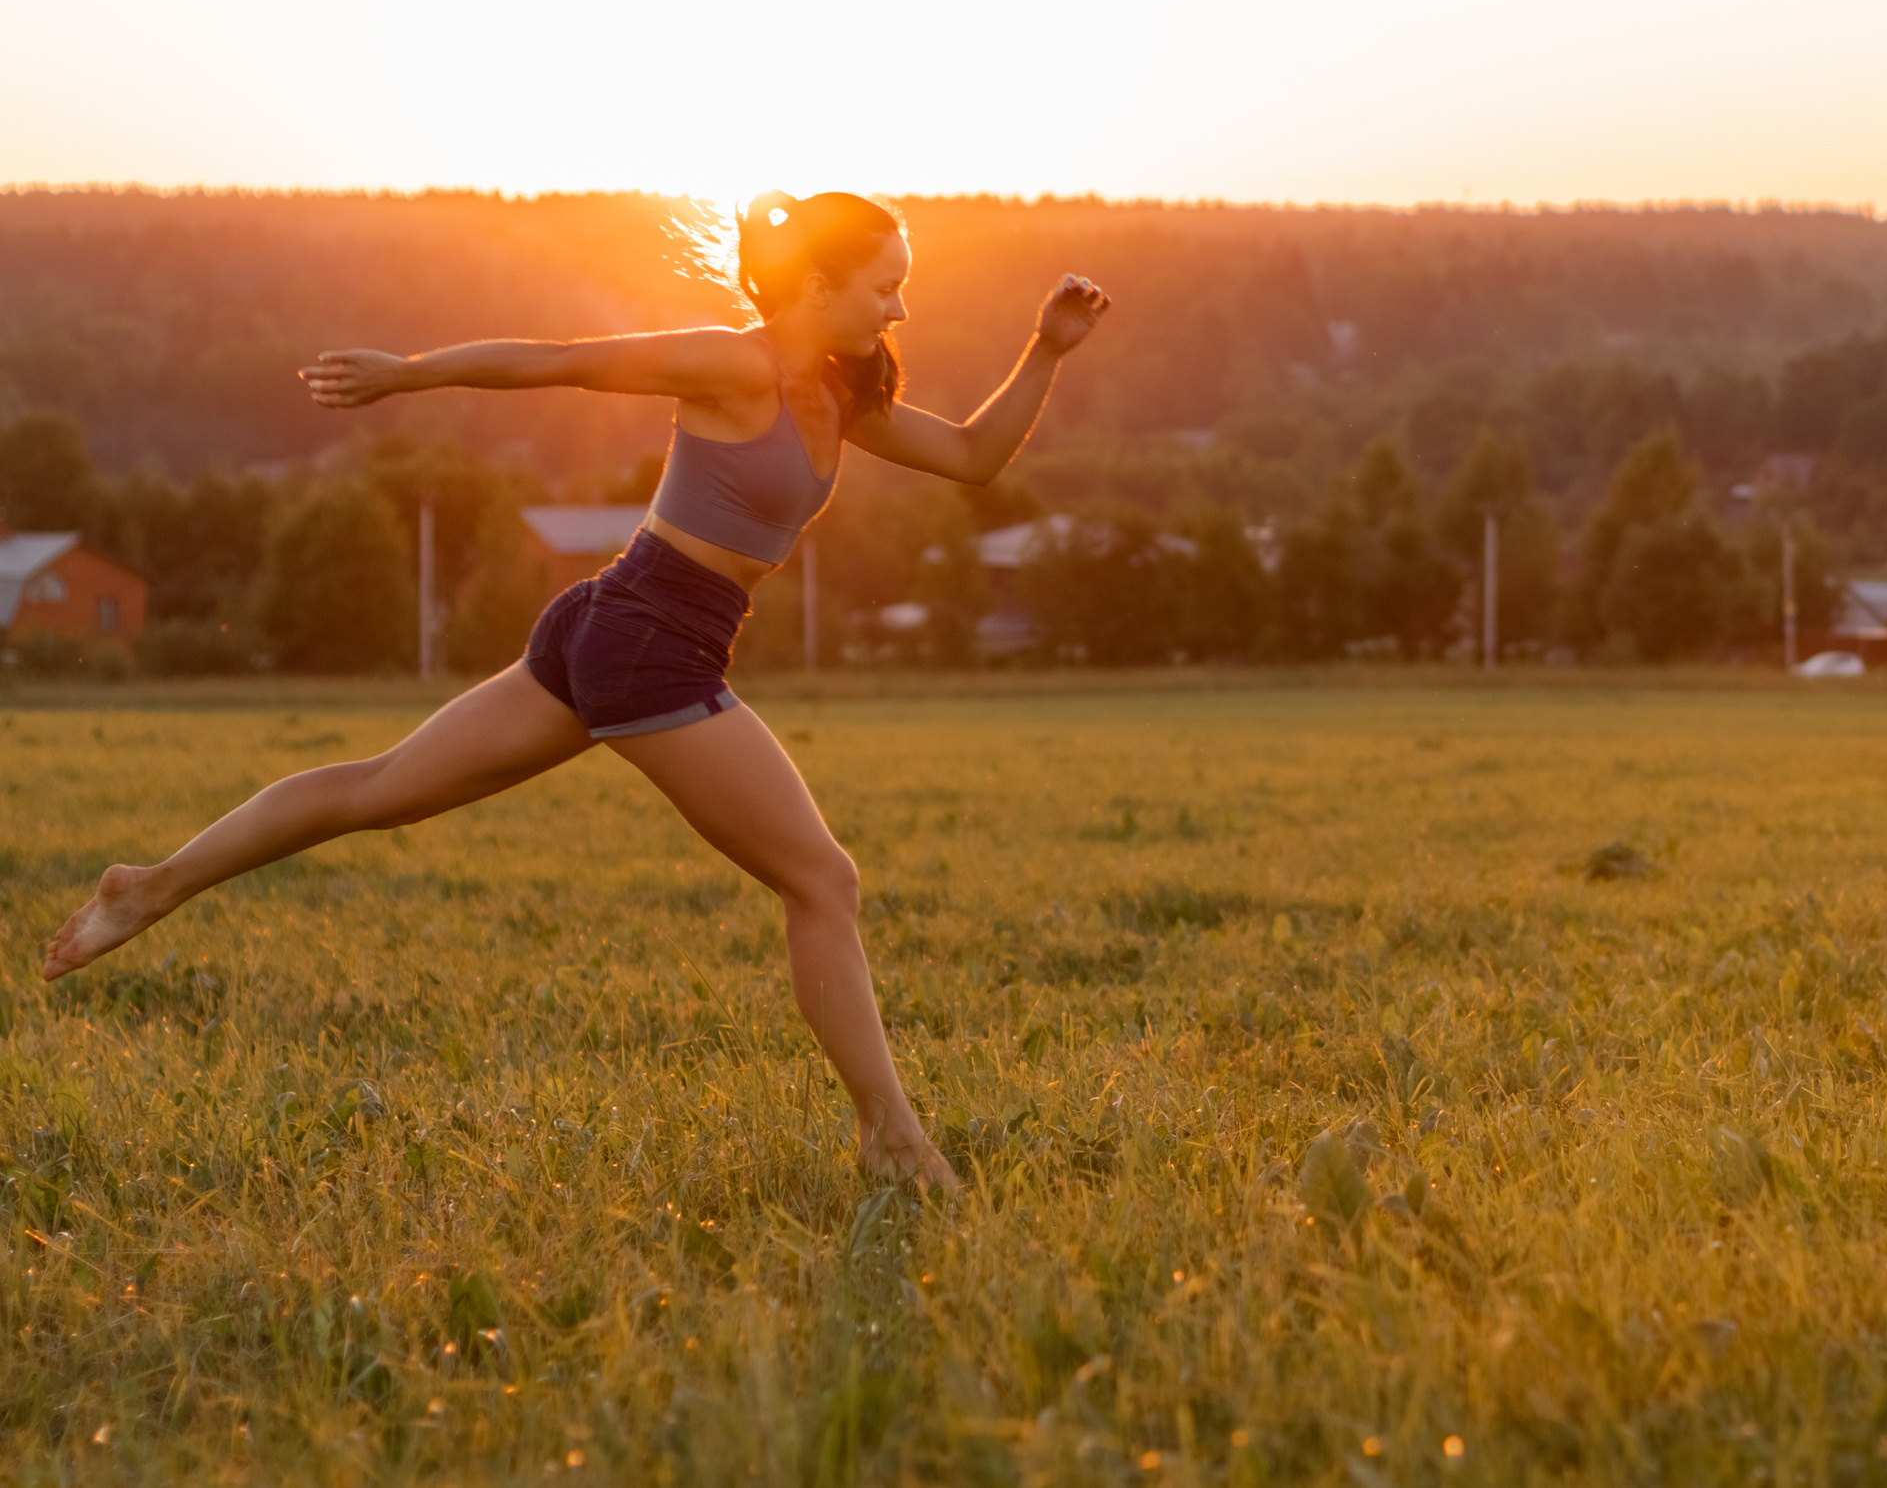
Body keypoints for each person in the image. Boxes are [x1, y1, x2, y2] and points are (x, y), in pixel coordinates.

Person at [40, 191, 1110, 1191]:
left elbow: (973, 458)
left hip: (616, 624)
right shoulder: (729, 366)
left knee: (381, 790)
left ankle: (153, 884)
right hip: (648, 641)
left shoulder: (841, 389)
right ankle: (894, 1137)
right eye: (884, 284)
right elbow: (563, 362)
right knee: (823, 881)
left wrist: (1045, 350)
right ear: (816, 288)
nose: (900, 305)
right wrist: (410, 374)